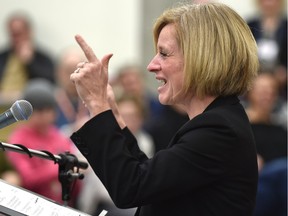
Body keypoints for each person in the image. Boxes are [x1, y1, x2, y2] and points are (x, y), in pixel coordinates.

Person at [70, 2, 259, 216]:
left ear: (201, 59)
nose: (151, 65)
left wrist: (97, 103)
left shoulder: (219, 130)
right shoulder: (219, 122)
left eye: (164, 54)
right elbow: (150, 178)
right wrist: (112, 114)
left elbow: (132, 186)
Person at [5, 79, 81, 207]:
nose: (45, 115)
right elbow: (28, 178)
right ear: (27, 112)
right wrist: (60, 168)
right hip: (32, 204)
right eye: (39, 111)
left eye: (49, 110)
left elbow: (76, 179)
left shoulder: (58, 135)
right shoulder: (18, 138)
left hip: (65, 203)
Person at [0, 12, 55, 103]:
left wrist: (30, 62)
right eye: (12, 34)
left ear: (29, 32)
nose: (16, 39)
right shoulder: (2, 57)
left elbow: (48, 85)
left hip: (31, 106)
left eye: (19, 34)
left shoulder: (43, 58)